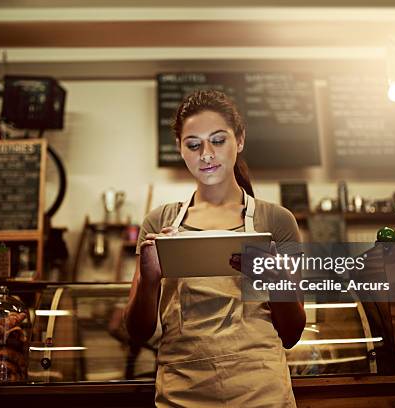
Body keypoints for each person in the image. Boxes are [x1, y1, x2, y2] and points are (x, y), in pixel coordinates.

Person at [124, 89, 306, 407]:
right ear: (180, 149)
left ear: (240, 140)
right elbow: (138, 332)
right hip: (182, 396)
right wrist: (150, 278)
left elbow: (291, 334)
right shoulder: (159, 223)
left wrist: (272, 278)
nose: (206, 154)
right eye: (193, 144)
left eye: (218, 140)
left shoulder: (276, 221)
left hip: (261, 395)